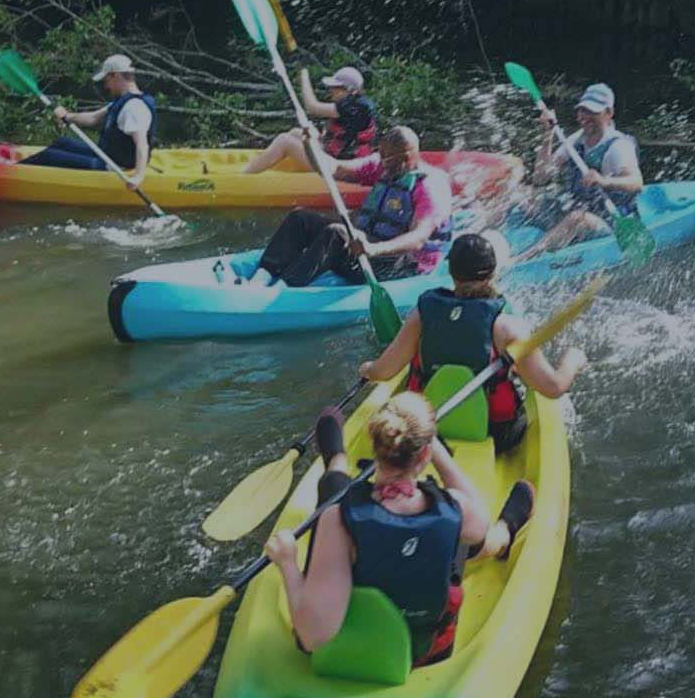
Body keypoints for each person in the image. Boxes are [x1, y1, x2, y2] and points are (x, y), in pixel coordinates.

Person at [263, 392, 535, 666]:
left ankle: (337, 459)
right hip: (427, 654)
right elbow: (479, 525)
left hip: (354, 649)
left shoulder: (339, 517)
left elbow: (312, 637)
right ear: (425, 453)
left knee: (334, 490)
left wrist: (286, 562)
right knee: (468, 541)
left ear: (374, 444)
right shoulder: (455, 509)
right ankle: (506, 531)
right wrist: (434, 451)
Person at [358, 232, 588, 452]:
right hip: (496, 433)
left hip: (423, 425)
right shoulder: (507, 326)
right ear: (492, 274)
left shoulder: (423, 312)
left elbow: (383, 372)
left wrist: (367, 369)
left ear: (451, 272)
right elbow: (554, 388)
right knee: (516, 379)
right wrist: (573, 360)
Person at [249, 126, 453, 287]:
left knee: (337, 234)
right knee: (301, 218)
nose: (381, 161)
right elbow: (333, 168)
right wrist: (310, 145)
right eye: (380, 154)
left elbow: (417, 239)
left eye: (387, 158)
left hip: (402, 263)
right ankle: (262, 278)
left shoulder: (429, 187)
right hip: (366, 246)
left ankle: (284, 289)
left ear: (407, 158)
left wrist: (373, 249)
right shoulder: (383, 166)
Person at [515, 83, 644, 259]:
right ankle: (473, 232)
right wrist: (548, 134)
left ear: (609, 113)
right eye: (582, 110)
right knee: (520, 194)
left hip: (610, 221)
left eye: (592, 111)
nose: (584, 116)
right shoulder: (576, 141)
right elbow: (541, 177)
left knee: (578, 218)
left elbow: (636, 182)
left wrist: (603, 181)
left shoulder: (618, 146)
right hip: (578, 208)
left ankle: (523, 259)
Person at [17, 54, 155, 188]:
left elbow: (142, 145)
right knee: (63, 142)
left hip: (116, 166)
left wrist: (138, 177)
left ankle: (13, 171)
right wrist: (67, 116)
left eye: (106, 81)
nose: (106, 86)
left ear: (116, 75)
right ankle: (20, 168)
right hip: (107, 155)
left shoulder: (134, 107)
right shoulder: (124, 100)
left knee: (49, 156)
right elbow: (93, 118)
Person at [242, 65, 380, 174]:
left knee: (284, 140)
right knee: (297, 132)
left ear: (350, 90)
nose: (330, 90)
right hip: (333, 155)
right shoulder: (354, 104)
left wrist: (304, 76)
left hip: (338, 165)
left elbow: (312, 107)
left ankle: (244, 177)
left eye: (335, 87)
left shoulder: (357, 106)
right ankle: (261, 166)